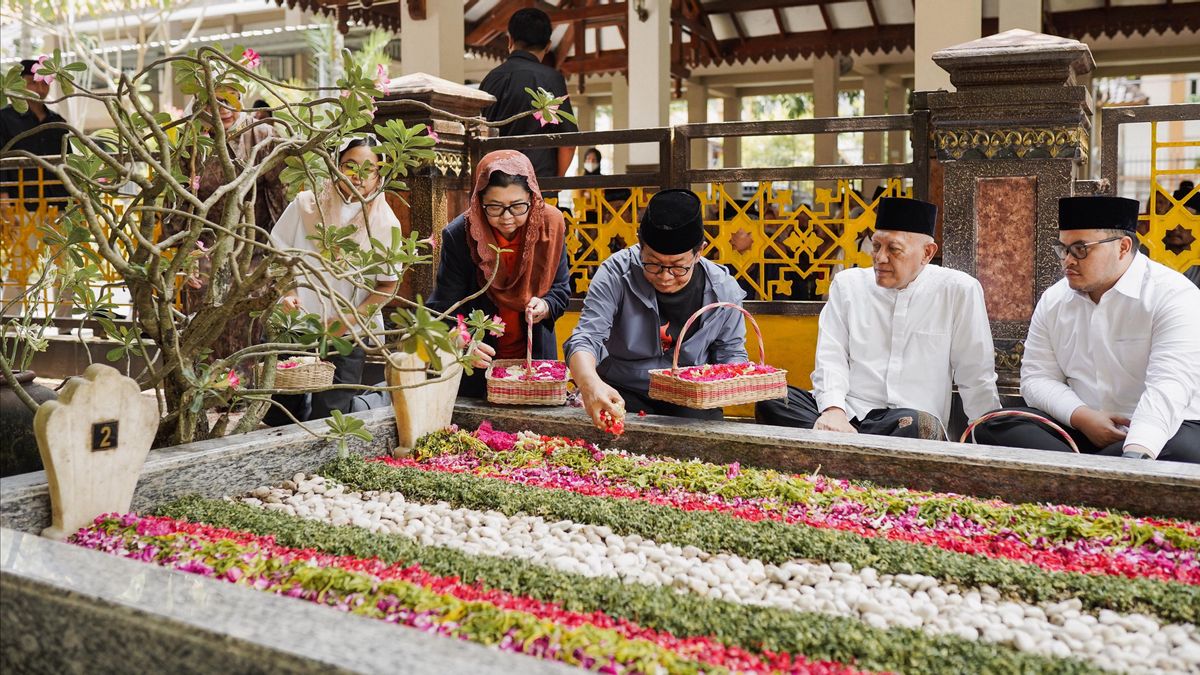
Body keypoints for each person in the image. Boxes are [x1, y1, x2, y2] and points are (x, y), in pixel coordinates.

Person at [971, 196, 1200, 462]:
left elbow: (1170, 385)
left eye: (1081, 249)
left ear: (1123, 247)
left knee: (1183, 452)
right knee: (997, 425)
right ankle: (1090, 473)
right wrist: (1082, 417)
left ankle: (1077, 473)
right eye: (1063, 249)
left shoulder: (1173, 295)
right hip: (1082, 428)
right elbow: (1036, 378)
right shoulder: (1054, 300)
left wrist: (1136, 453)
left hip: (1162, 430)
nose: (1067, 260)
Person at [755, 197, 1000, 439]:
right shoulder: (848, 285)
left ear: (927, 253)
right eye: (876, 246)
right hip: (847, 413)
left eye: (894, 249)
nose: (880, 258)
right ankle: (845, 440)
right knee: (769, 397)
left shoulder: (958, 290)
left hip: (905, 422)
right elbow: (831, 357)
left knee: (921, 426)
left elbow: (976, 375)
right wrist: (833, 410)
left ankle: (841, 446)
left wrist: (987, 441)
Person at [565, 189, 748, 427]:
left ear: (699, 251)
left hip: (689, 399)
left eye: (678, 267)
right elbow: (586, 338)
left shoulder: (723, 290)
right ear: (639, 245)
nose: (665, 276)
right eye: (652, 263)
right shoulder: (615, 273)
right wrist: (590, 384)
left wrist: (734, 379)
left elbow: (731, 354)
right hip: (622, 390)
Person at [264, 137, 404, 425]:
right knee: (278, 415)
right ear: (335, 167)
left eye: (369, 169)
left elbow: (387, 286)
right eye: (349, 166)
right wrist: (287, 293)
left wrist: (348, 321)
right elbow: (278, 256)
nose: (357, 176)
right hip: (296, 325)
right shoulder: (305, 204)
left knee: (329, 418)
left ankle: (377, 401)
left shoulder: (385, 223)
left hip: (346, 334)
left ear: (380, 175)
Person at [427, 150, 572, 398]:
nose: (507, 218)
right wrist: (462, 342)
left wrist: (546, 306)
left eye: (518, 207)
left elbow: (561, 291)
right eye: (494, 207)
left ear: (533, 198)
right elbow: (444, 309)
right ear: (478, 201)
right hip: (480, 363)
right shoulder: (460, 235)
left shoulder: (551, 225)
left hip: (534, 365)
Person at [478, 8, 577, 187]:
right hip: (537, 184)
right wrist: (554, 183)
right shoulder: (551, 79)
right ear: (547, 46)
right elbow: (568, 143)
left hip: (494, 188)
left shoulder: (490, 79)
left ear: (510, 40)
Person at [0, 58, 70, 208]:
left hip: (59, 200)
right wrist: (3, 199)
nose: (40, 89)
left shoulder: (58, 123)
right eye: (33, 82)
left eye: (44, 83)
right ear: (20, 84)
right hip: (20, 202)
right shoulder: (4, 118)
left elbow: (68, 161)